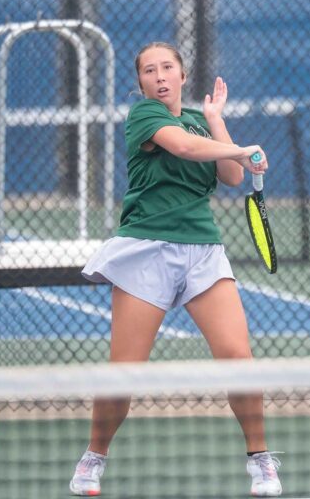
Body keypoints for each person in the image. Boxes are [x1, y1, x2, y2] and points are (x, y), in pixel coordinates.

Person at [69, 42, 282, 497]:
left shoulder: (199, 122)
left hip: (203, 252)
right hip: (148, 250)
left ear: (183, 76)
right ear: (141, 82)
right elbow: (184, 147)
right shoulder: (144, 117)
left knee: (238, 360)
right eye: (150, 70)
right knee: (124, 371)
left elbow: (231, 176)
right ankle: (94, 457)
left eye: (168, 68)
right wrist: (243, 147)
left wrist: (218, 120)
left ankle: (260, 461)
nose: (160, 76)